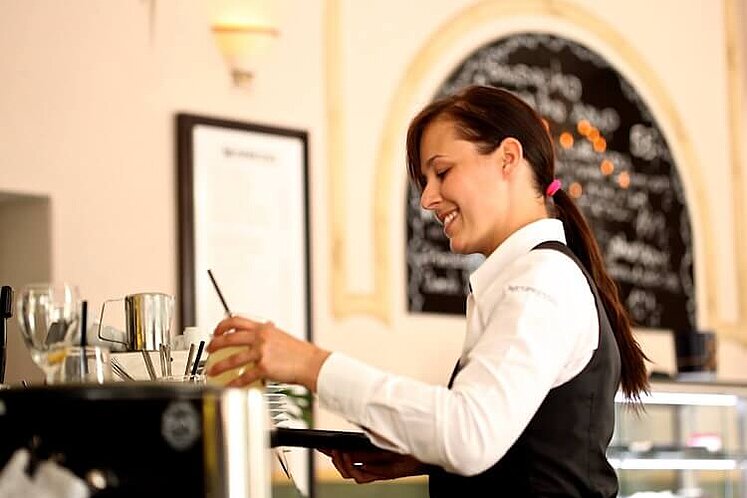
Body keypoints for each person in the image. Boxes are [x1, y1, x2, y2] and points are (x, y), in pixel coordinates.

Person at [206, 84, 649, 496]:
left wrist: (309, 364)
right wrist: (420, 457)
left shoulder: (541, 280)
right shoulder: (529, 277)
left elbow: (468, 433)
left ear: (508, 158)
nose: (426, 200)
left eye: (442, 172)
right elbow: (515, 440)